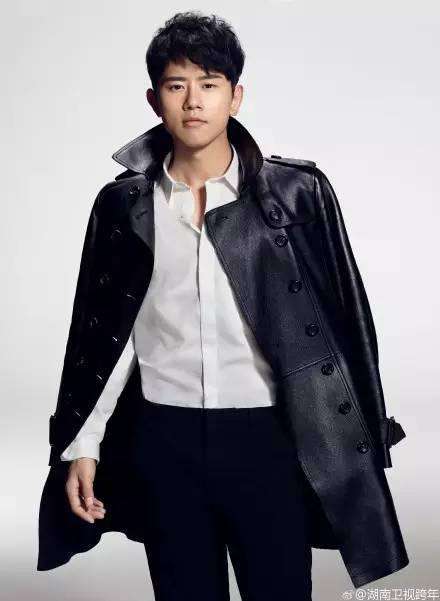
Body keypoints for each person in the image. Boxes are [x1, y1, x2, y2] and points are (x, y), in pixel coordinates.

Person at [37, 10, 409, 600]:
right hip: (164, 438)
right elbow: (106, 338)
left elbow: (348, 322)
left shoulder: (297, 194)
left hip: (268, 440)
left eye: (209, 84)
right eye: (176, 85)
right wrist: (83, 444)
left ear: (235, 97)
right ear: (154, 99)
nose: (193, 101)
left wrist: (365, 434)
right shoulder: (123, 206)